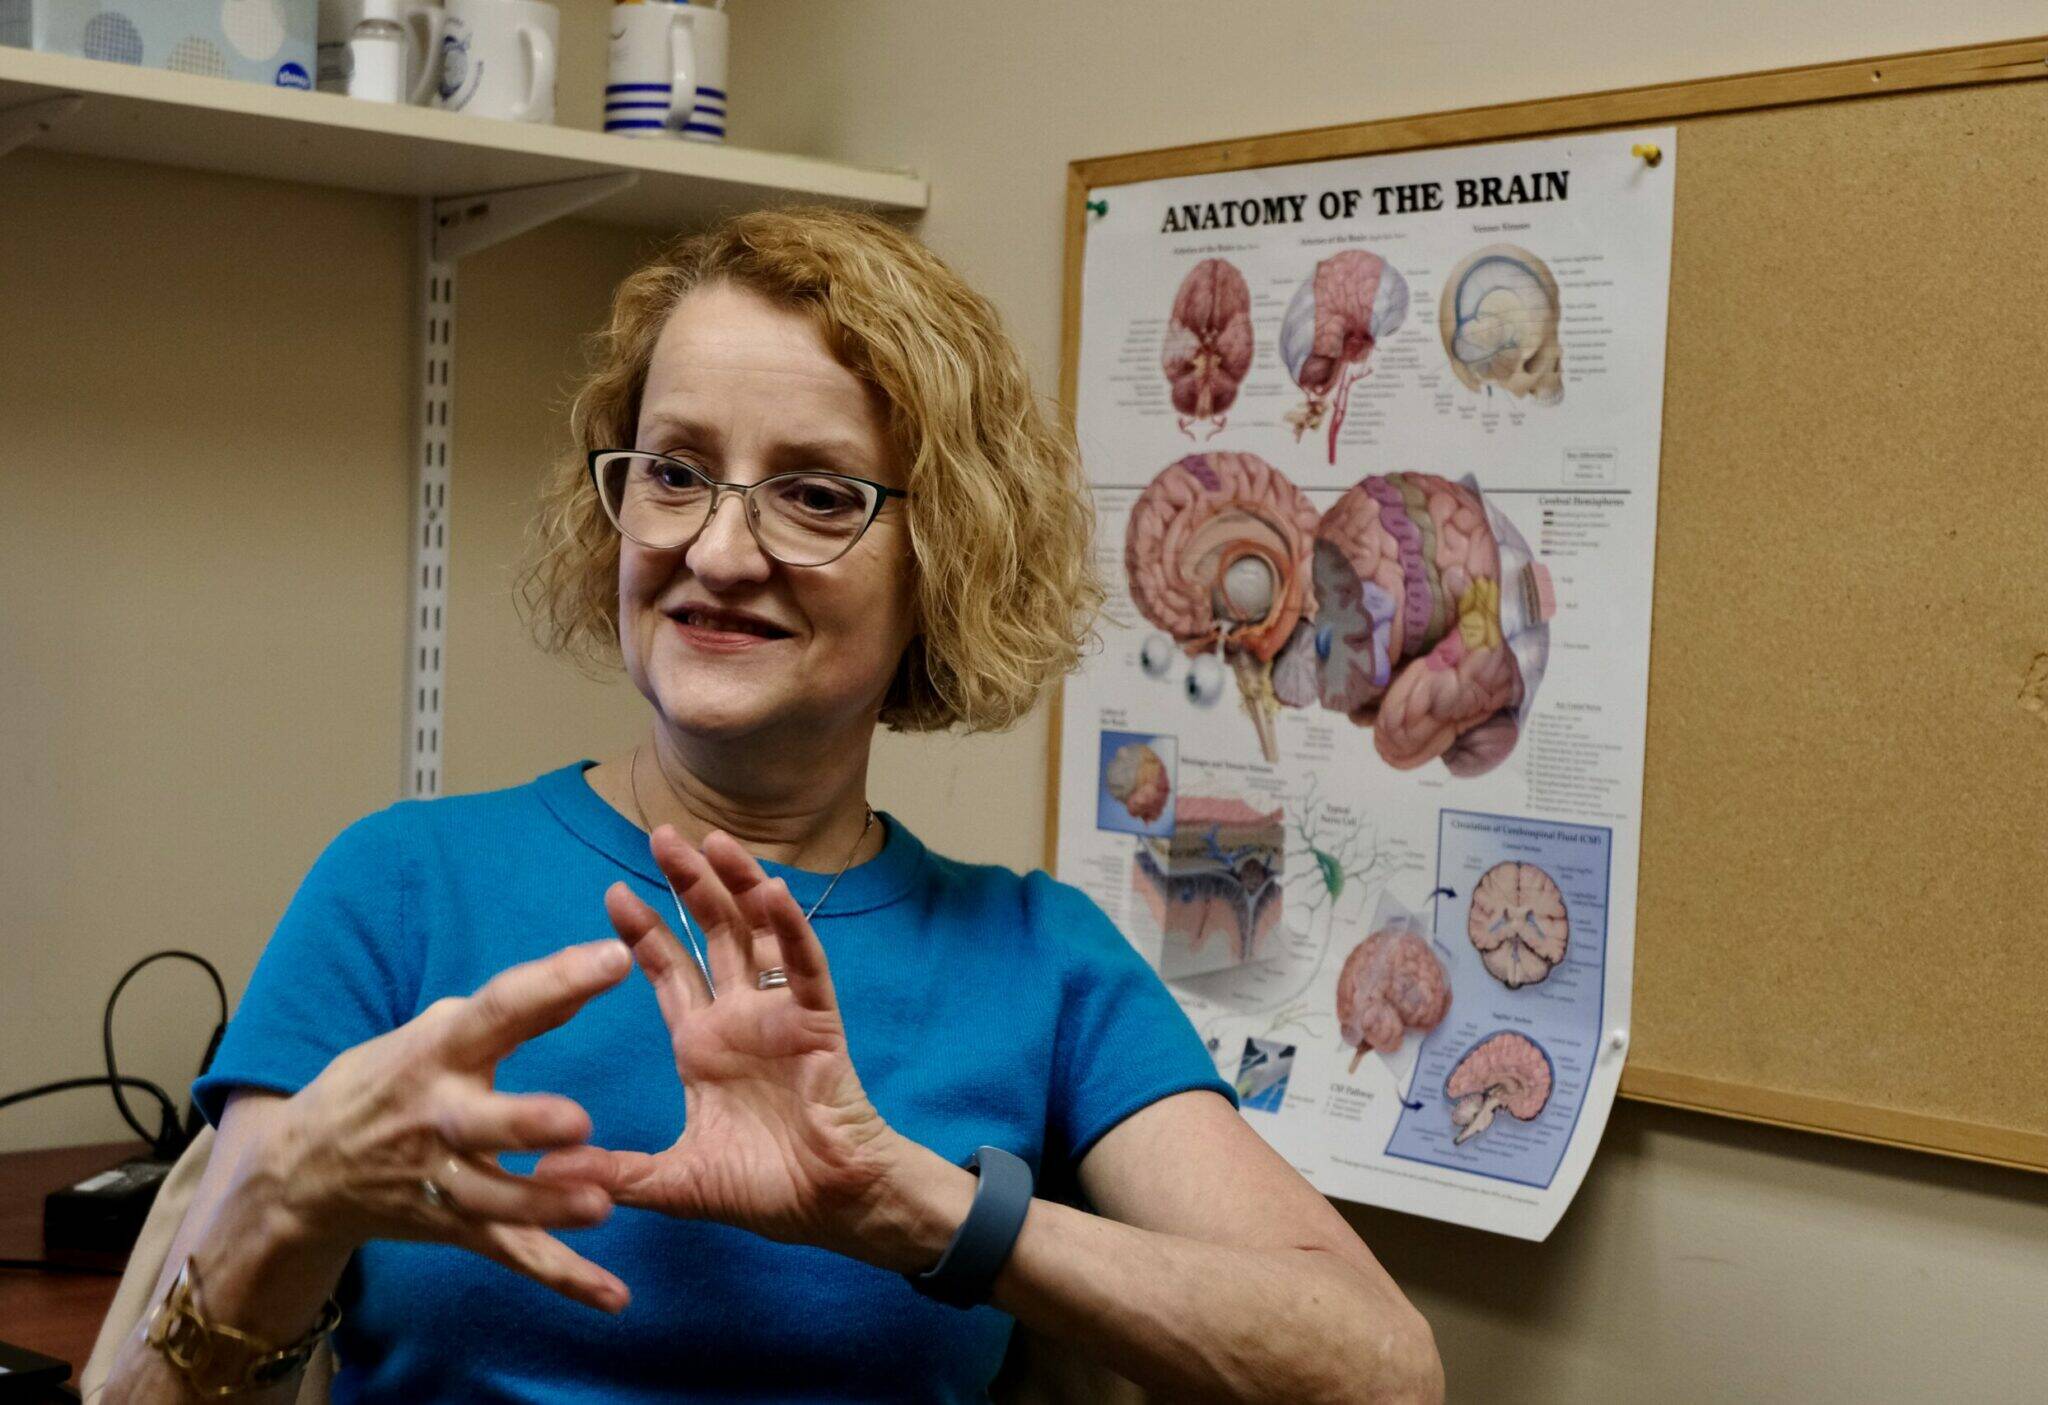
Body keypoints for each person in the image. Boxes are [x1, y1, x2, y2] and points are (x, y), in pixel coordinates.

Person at [99, 206, 1442, 1404]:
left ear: (946, 556)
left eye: (814, 494)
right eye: (674, 469)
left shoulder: (1039, 962)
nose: (717, 549)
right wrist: (281, 1203)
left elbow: (1377, 1373)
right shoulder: (400, 890)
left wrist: (908, 1202)